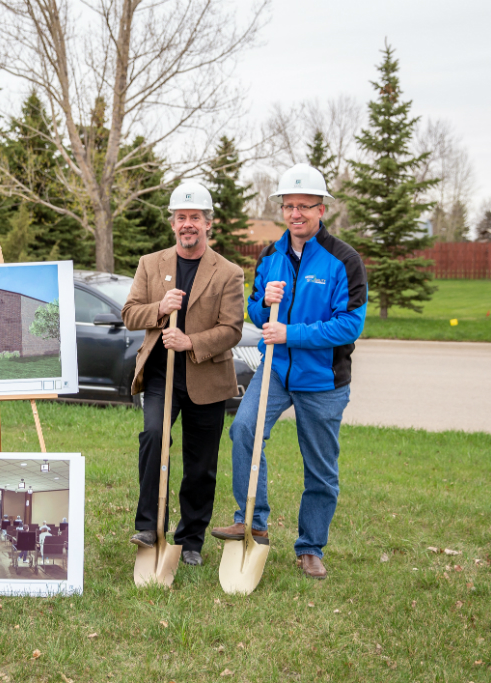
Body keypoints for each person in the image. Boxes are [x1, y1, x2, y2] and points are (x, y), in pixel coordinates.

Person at [211, 164, 367, 580]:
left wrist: (290, 333)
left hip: (323, 380)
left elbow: (349, 325)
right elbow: (256, 311)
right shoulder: (270, 256)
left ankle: (310, 547)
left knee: (320, 467)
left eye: (305, 206)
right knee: (244, 430)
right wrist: (265, 302)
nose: (296, 213)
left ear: (321, 210)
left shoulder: (344, 261)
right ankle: (252, 521)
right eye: (289, 206)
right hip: (276, 371)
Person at [122, 181, 244, 567]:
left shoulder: (228, 272)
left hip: (207, 378)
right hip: (162, 374)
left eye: (195, 217)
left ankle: (191, 539)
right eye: (181, 217)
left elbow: (232, 329)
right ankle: (148, 525)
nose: (187, 223)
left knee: (200, 463)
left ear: (208, 223)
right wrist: (160, 307)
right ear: (172, 223)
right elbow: (130, 314)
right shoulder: (150, 264)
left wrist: (190, 341)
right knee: (154, 437)